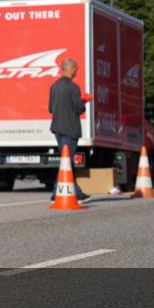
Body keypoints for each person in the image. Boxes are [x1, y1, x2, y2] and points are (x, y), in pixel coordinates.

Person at [47, 58, 91, 202]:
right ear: (70, 69)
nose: (76, 71)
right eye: (76, 68)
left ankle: (76, 192)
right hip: (70, 130)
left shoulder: (54, 87)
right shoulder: (74, 88)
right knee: (67, 161)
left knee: (67, 162)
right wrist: (84, 101)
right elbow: (79, 108)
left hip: (57, 129)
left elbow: (50, 109)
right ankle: (56, 192)